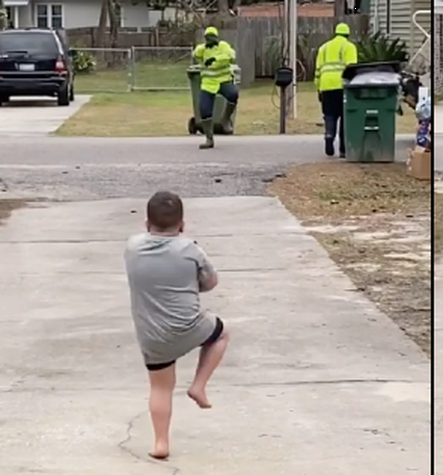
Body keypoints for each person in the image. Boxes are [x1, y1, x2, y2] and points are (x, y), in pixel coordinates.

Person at [124, 191, 230, 460]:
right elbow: (211, 282)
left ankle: (161, 443)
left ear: (147, 224)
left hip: (153, 336)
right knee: (221, 334)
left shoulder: (132, 247)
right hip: (190, 326)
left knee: (160, 387)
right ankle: (199, 385)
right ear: (182, 225)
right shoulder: (191, 249)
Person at [315, 22, 358, 158]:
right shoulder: (349, 47)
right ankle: (343, 149)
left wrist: (318, 88)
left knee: (329, 115)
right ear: (347, 34)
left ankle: (329, 137)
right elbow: (352, 69)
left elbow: (317, 71)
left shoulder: (324, 48)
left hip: (326, 85)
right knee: (345, 117)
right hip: (342, 87)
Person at [192, 26, 239, 150]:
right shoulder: (202, 49)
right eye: (208, 38)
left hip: (224, 80)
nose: (210, 40)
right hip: (208, 83)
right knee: (204, 109)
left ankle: (225, 119)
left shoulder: (223, 46)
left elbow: (231, 56)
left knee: (233, 94)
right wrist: (202, 52)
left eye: (213, 38)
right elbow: (195, 54)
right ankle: (209, 139)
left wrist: (215, 58)